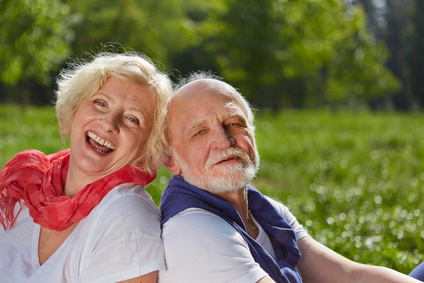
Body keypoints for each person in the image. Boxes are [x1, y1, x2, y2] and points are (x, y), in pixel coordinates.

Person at [158, 73, 424, 283]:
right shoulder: (193, 231)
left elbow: (346, 274)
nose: (224, 140)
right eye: (199, 132)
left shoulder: (265, 211)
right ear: (171, 160)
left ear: (252, 132)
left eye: (234, 123)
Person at [0, 51, 172, 282]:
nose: (109, 123)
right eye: (100, 103)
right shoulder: (23, 185)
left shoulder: (127, 219)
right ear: (75, 108)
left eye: (132, 119)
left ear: (148, 146)